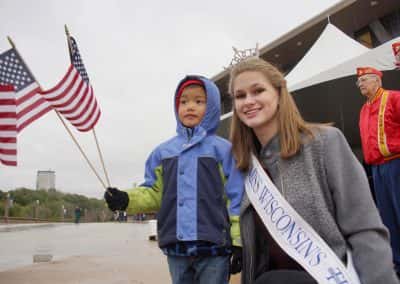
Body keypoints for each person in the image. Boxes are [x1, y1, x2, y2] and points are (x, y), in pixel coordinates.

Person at [228, 58, 399, 284]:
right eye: (240, 96)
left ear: (279, 94)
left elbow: (364, 230)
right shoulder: (245, 166)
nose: (248, 101)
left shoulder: (324, 143)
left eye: (258, 90)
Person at [104, 75, 244, 284]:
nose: (190, 107)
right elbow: (153, 192)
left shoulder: (223, 150)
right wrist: (127, 200)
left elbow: (237, 196)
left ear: (213, 106)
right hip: (176, 248)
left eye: (199, 101)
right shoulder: (162, 153)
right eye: (184, 101)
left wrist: (238, 240)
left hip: (214, 246)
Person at [356, 66, 400, 276]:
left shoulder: (394, 98)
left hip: (396, 163)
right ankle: (397, 262)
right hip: (377, 169)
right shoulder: (364, 109)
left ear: (377, 81)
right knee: (387, 218)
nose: (361, 84)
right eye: (359, 82)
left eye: (364, 80)